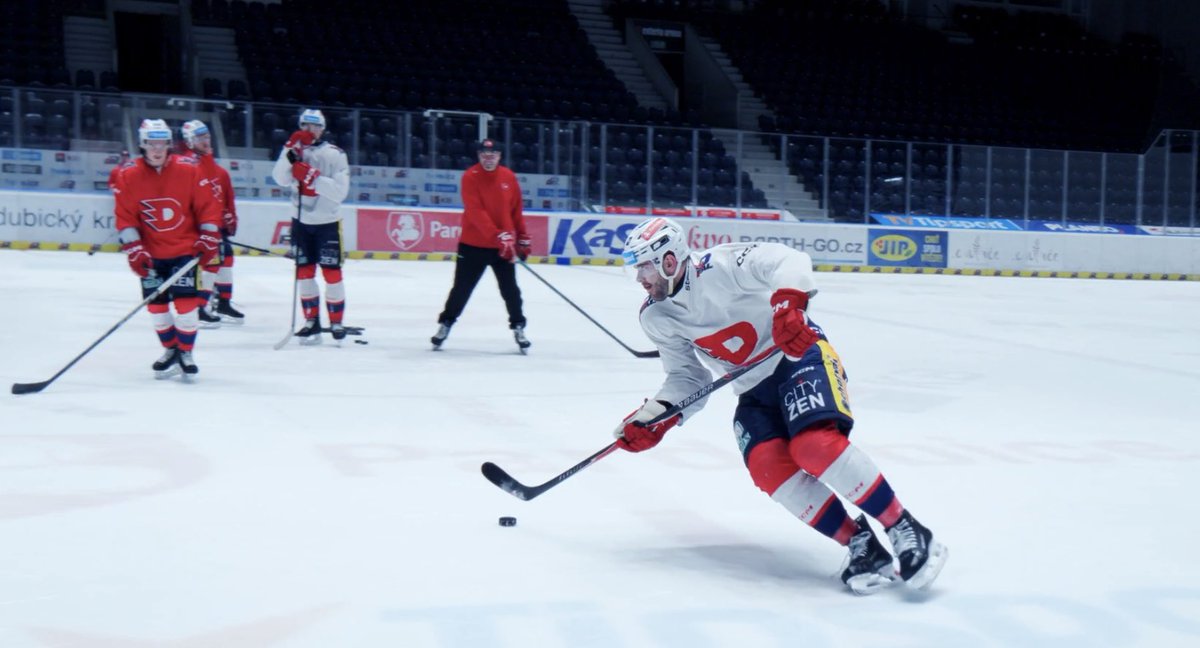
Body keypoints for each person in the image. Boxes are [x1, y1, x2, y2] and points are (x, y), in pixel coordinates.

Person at [615, 217, 948, 595]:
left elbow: (787, 260)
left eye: (643, 266)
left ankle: (904, 527)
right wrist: (655, 416)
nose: (640, 278)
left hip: (798, 357)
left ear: (669, 260)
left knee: (813, 446)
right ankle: (861, 544)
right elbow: (688, 379)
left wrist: (789, 306)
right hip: (752, 389)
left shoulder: (721, 266)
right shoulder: (655, 316)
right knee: (767, 465)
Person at [113, 118, 223, 378]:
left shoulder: (189, 169)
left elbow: (208, 207)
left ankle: (185, 352)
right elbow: (125, 216)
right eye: (151, 143)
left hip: (185, 252)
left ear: (169, 143)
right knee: (157, 309)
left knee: (186, 306)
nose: (157, 148)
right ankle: (170, 349)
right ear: (142, 144)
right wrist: (134, 249)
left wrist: (208, 238)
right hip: (151, 255)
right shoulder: (128, 174)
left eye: (162, 142)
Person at [431, 138, 532, 352]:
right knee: (461, 289)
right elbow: (476, 212)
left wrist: (522, 238)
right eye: (484, 155)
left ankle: (518, 327)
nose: (488, 158)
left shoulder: (508, 177)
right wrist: (498, 236)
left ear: (500, 156)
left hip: (503, 246)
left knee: (511, 290)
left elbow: (516, 211)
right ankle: (446, 324)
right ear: (478, 156)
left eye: (493, 154)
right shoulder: (470, 177)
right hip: (473, 245)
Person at [270, 108, 351, 344]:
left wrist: (312, 177)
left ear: (323, 129)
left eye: (314, 126)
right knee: (304, 273)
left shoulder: (335, 154)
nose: (309, 130)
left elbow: (340, 192)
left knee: (332, 274)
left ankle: (336, 322)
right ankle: (310, 321)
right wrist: (288, 149)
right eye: (305, 125)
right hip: (301, 223)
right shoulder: (294, 151)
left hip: (327, 224)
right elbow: (280, 178)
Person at [180, 119, 244, 325]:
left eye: (207, 136)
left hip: (218, 226)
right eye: (200, 137)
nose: (206, 141)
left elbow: (227, 199)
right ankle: (199, 306)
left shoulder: (220, 171)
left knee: (226, 261)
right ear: (189, 141)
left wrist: (231, 218)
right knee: (210, 264)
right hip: (202, 227)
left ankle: (223, 303)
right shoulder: (186, 166)